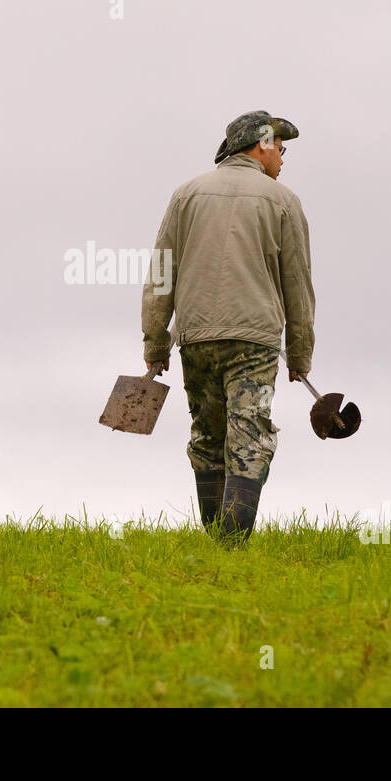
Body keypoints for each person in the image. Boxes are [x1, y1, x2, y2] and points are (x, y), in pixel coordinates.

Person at [140, 110, 316, 547]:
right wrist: (300, 354)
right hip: (254, 341)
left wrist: (155, 340)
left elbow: (162, 273)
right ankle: (231, 548)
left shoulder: (186, 194)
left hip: (196, 337)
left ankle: (218, 544)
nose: (282, 156)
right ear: (260, 145)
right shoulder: (283, 201)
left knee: (207, 436)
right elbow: (297, 282)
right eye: (280, 146)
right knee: (250, 436)